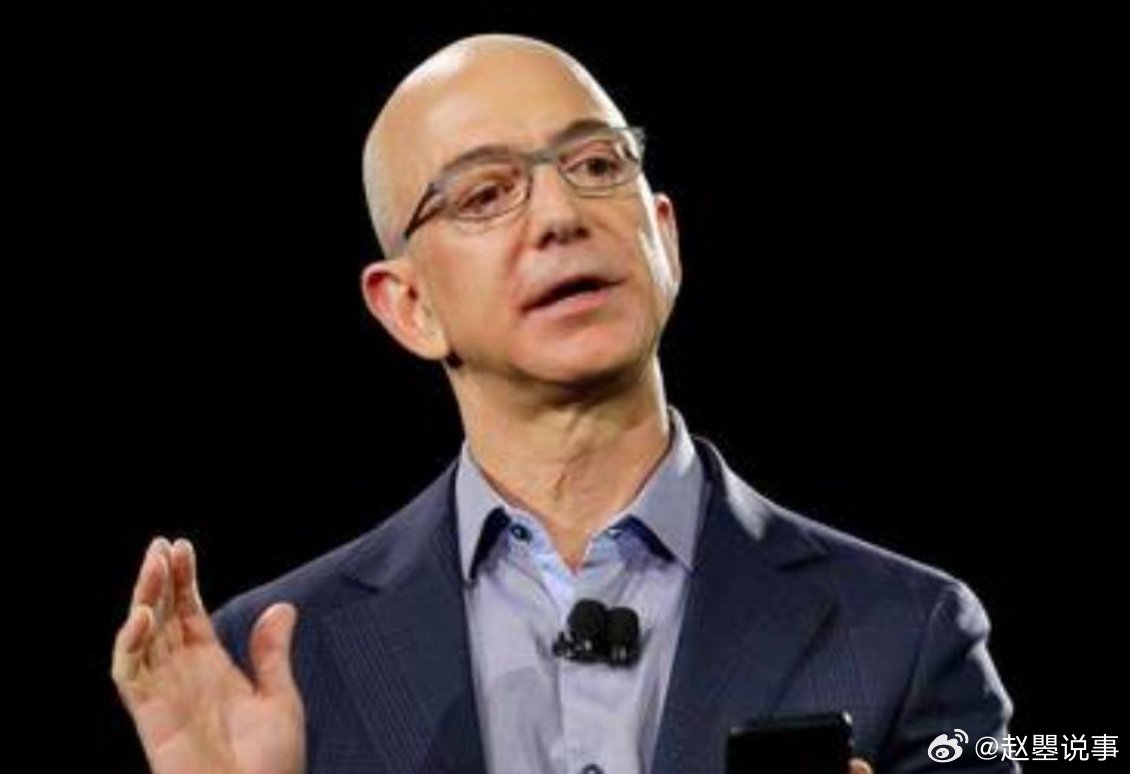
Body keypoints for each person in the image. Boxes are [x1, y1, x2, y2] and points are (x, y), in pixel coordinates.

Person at [111, 34, 1016, 774]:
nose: (559, 216)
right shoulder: (270, 660)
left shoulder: (910, 628)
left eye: (595, 163)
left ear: (663, 237)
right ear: (409, 306)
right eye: (486, 193)